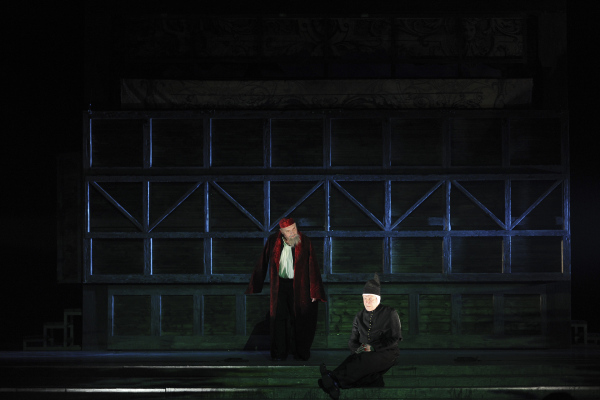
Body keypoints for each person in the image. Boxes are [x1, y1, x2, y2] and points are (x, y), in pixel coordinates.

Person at [245, 217, 326, 361]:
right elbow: (262, 262)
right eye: (289, 231)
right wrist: (255, 284)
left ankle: (300, 353)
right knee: (279, 319)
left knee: (300, 319)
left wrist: (315, 291)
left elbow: (313, 266)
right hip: (280, 286)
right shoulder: (273, 241)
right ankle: (279, 353)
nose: (293, 232)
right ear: (282, 232)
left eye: (294, 228)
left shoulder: (305, 241)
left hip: (300, 286)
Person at [318, 273, 401, 400]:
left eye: (370, 298)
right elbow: (352, 340)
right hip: (363, 354)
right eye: (365, 298)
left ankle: (332, 379)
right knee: (354, 359)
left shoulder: (390, 313)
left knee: (363, 359)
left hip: (386, 353)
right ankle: (333, 383)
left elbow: (395, 339)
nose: (367, 302)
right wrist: (357, 349)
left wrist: (373, 347)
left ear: (378, 299)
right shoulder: (359, 316)